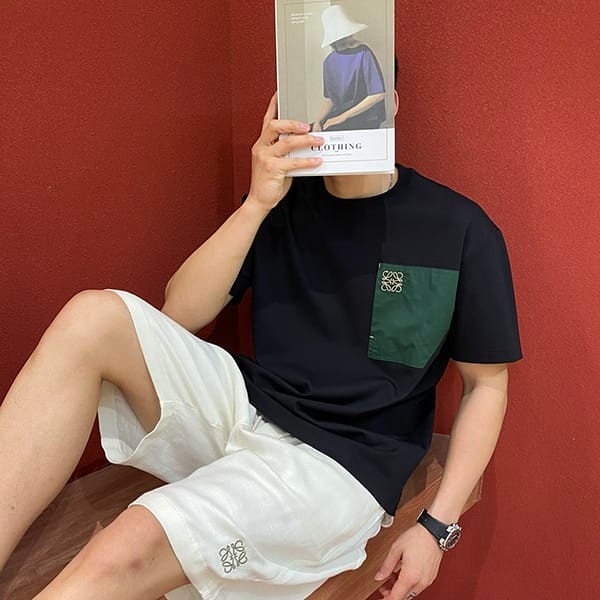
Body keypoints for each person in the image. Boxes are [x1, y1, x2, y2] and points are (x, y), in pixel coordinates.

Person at [0, 55, 522, 600]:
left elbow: (486, 386)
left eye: (356, 98)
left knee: (128, 544)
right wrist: (256, 202)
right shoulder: (282, 198)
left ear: (390, 105)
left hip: (343, 465)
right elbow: (180, 312)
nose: (336, 113)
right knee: (93, 316)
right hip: (247, 406)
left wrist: (436, 528)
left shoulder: (459, 228)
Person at [312, 5, 387, 132]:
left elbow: (378, 94)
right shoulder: (328, 62)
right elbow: (330, 99)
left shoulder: (363, 52)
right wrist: (317, 121)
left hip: (366, 118)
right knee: (308, 131)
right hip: (342, 118)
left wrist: (343, 117)